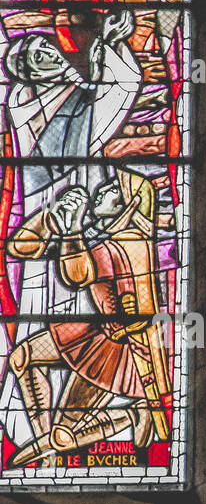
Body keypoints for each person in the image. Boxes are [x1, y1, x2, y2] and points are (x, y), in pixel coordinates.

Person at [5, 171, 170, 467]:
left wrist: (71, 230)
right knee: (22, 358)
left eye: (111, 190)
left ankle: (131, 414)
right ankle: (49, 452)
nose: (102, 189)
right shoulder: (104, 237)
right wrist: (49, 218)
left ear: (127, 206)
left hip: (119, 351)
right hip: (94, 333)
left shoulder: (124, 244)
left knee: (65, 435)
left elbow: (77, 275)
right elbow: (19, 248)